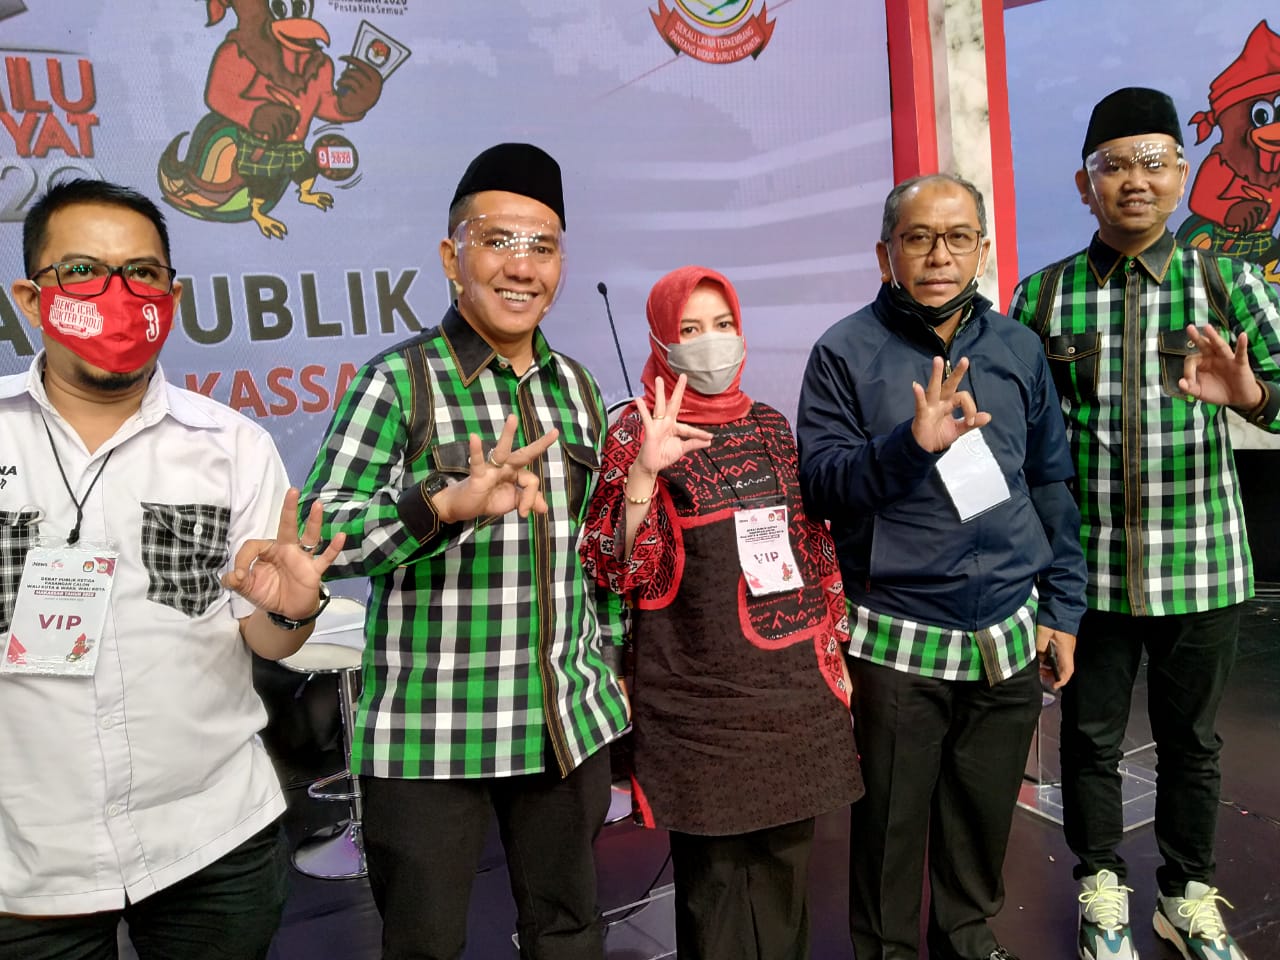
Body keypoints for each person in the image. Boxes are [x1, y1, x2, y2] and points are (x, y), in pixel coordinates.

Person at [298, 143, 629, 960]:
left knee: (568, 934)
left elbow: (591, 551)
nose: (522, 266)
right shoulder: (398, 382)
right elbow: (319, 534)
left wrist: (614, 656)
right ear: (452, 257)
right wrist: (438, 506)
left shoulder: (578, 388)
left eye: (542, 246)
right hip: (431, 730)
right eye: (498, 241)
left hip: (563, 718)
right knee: (425, 945)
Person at [0, 178, 343, 959]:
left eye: (142, 274)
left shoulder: (232, 445)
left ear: (173, 296)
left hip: (212, 837)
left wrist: (290, 607)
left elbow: (268, 640)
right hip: (25, 858)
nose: (117, 296)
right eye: (83, 272)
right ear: (32, 297)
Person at [1009, 87, 1280, 960]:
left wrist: (1254, 395)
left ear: (1182, 174)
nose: (1136, 180)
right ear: (1084, 185)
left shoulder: (1227, 282)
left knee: (1192, 745)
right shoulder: (1042, 296)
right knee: (1088, 742)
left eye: (1154, 162)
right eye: (1114, 165)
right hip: (1087, 575)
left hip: (1202, 566)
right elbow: (1019, 435)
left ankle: (1186, 895)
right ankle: (1101, 890)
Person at [797, 173, 1088, 960]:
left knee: (983, 814)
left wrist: (1063, 608)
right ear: (885, 254)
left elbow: (1049, 484)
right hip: (899, 635)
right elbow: (821, 485)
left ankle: (965, 937)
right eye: (918, 237)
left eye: (958, 237)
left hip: (1007, 629)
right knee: (890, 827)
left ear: (982, 250)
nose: (938, 255)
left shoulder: (1018, 347)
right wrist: (908, 446)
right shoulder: (843, 352)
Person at [578, 265, 863, 960]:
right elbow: (618, 570)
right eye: (690, 329)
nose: (712, 341)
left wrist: (835, 648)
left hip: (791, 693)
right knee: (716, 895)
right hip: (697, 702)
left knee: (787, 882)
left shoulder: (770, 425)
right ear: (661, 341)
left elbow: (810, 546)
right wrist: (644, 474)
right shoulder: (636, 430)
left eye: (723, 324)